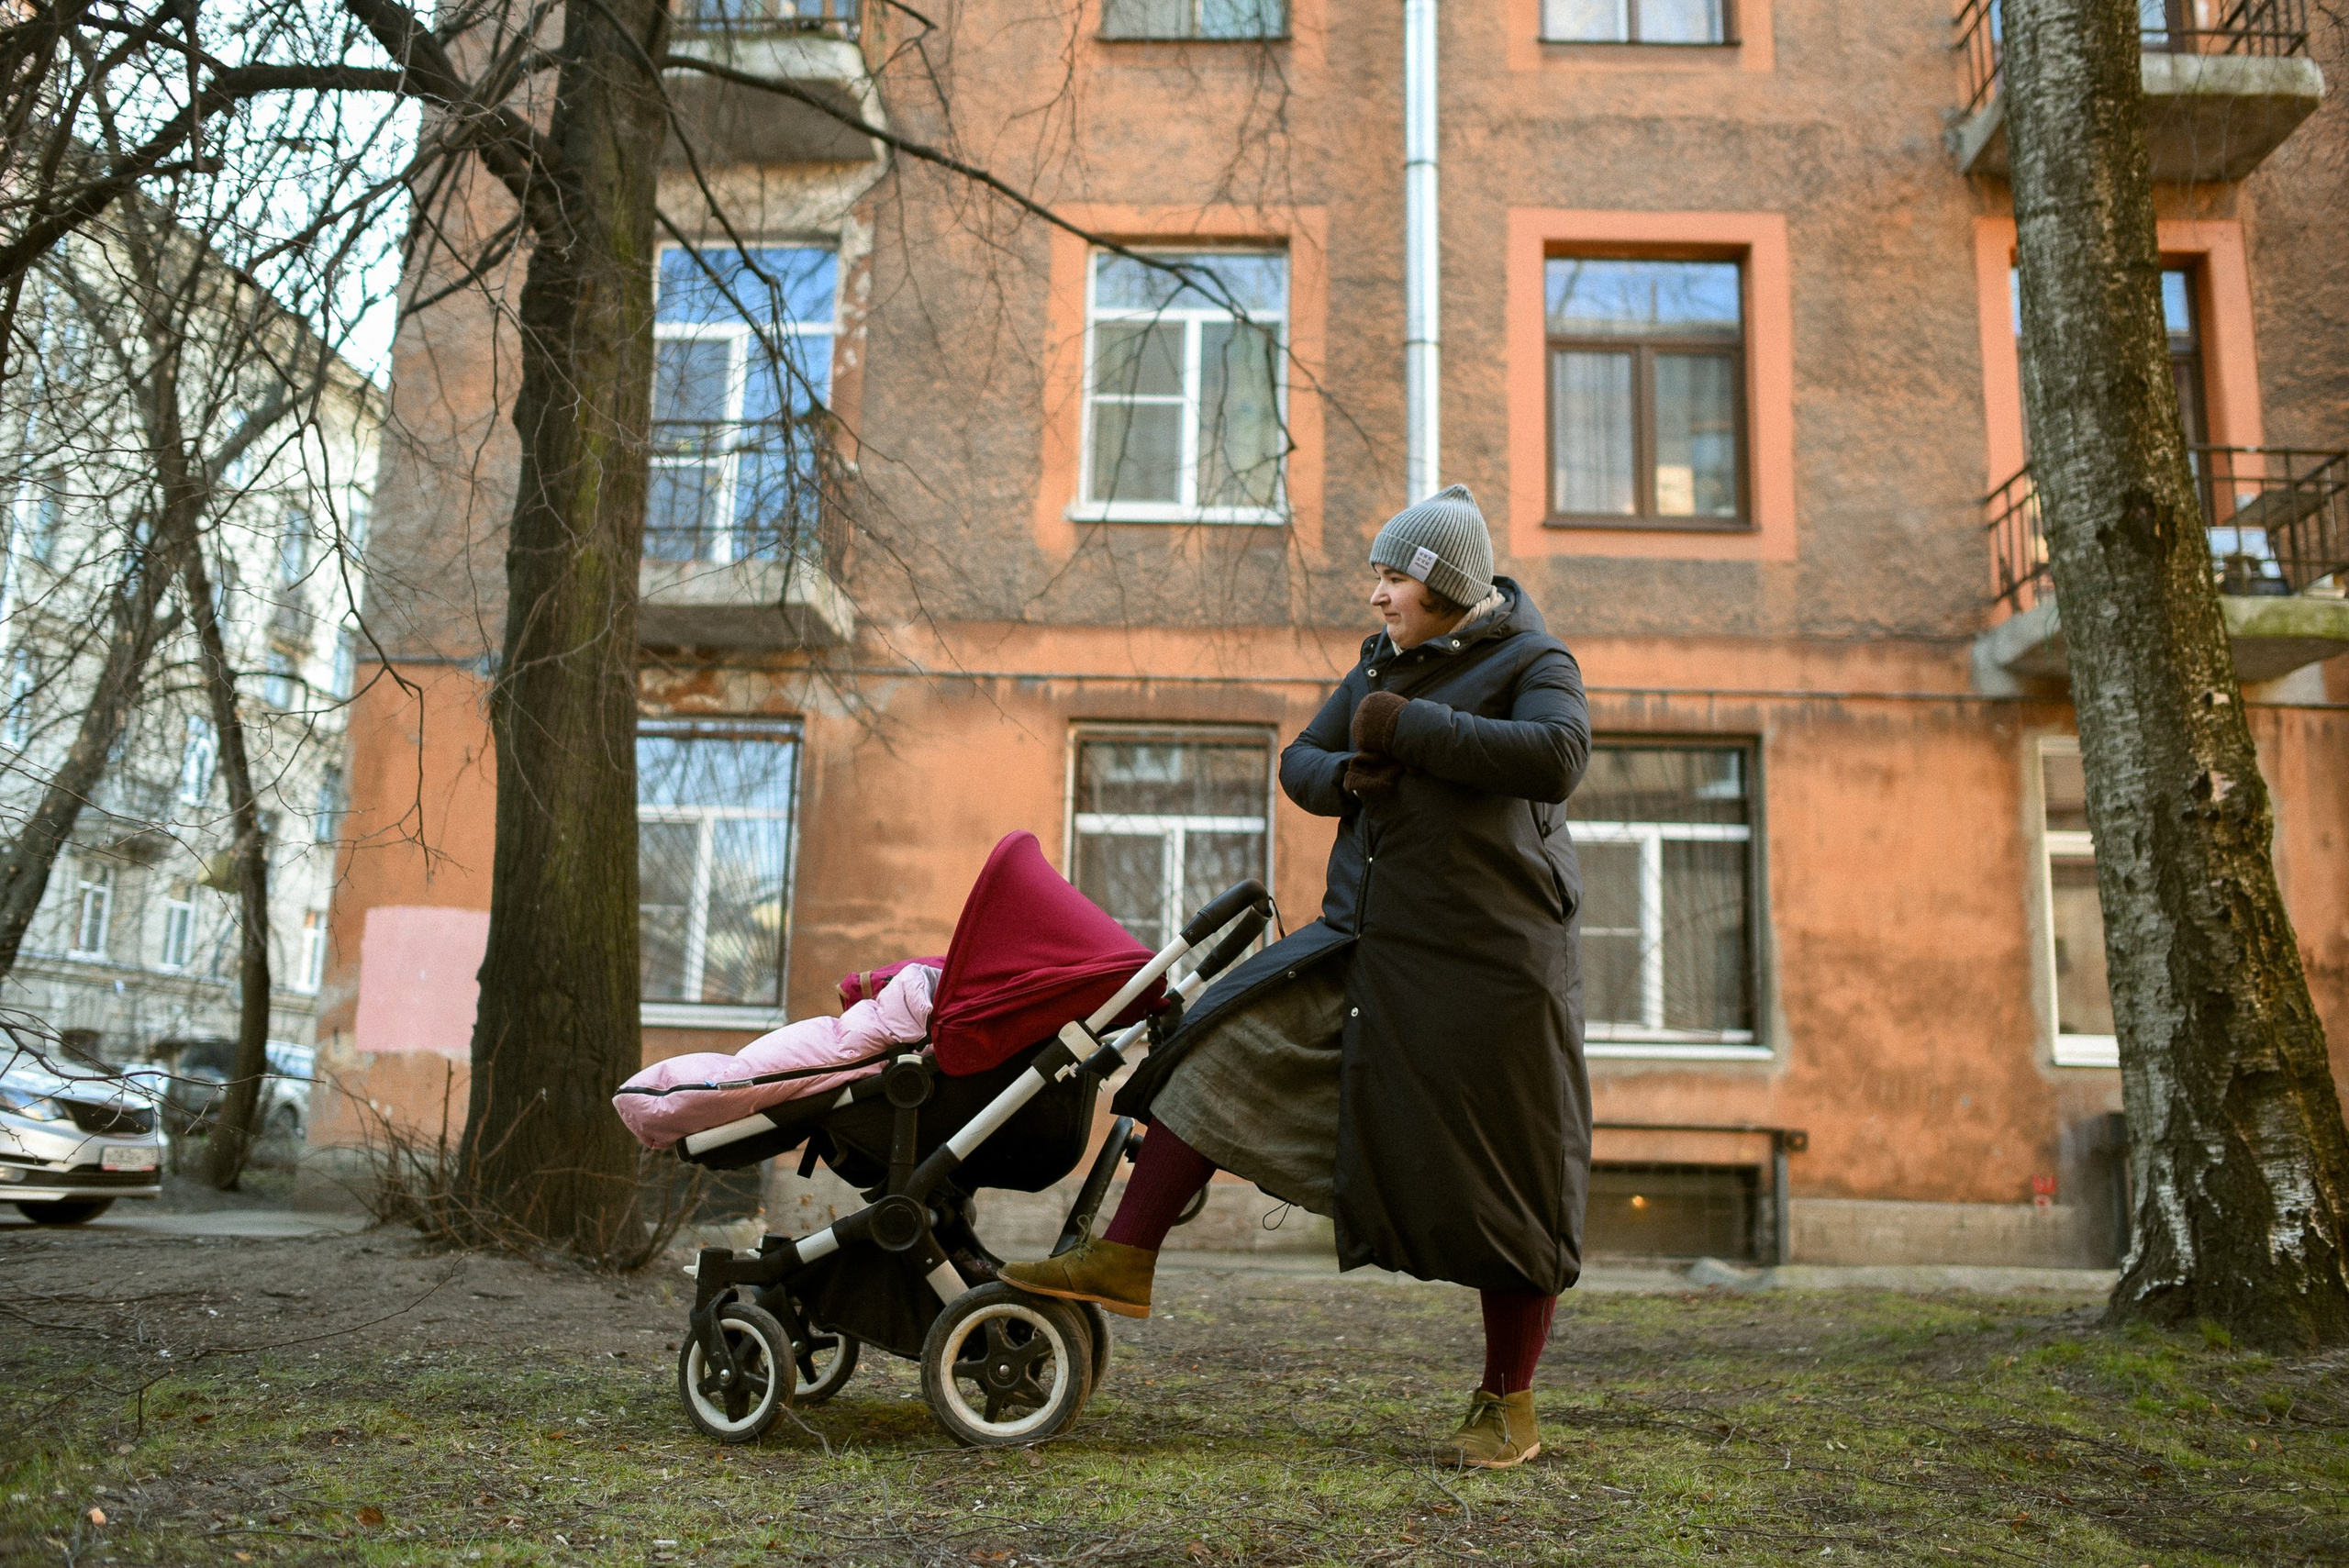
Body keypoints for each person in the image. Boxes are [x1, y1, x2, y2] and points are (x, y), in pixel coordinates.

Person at [1001, 484, 1591, 1470]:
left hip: (1493, 969)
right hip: (1364, 937)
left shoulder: (1534, 660)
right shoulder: (1379, 664)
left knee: (1512, 1180)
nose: (1375, 594)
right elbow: (1301, 759)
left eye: (1392, 574)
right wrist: (1349, 777)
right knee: (1217, 1033)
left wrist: (1407, 733)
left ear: (1445, 583)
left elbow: (1558, 756)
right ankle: (1125, 1252)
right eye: (1377, 572)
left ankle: (1506, 1401)